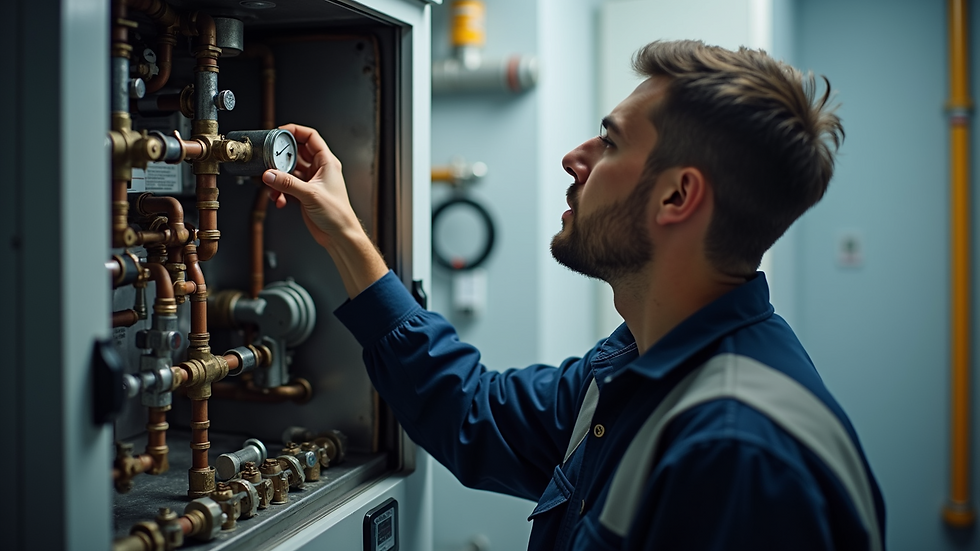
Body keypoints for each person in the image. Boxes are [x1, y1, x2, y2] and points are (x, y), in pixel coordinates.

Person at [261, 40, 886, 550]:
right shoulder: (639, 365)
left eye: (609, 142)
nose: (573, 157)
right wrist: (345, 235)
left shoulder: (735, 452)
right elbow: (473, 413)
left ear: (677, 197)